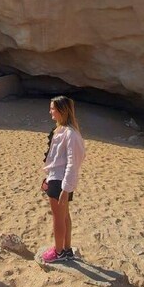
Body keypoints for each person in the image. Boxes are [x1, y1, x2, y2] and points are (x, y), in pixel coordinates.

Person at [41, 96, 86, 263]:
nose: (50, 111)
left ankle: (58, 252)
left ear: (61, 110)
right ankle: (66, 250)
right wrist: (48, 178)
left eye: (52, 108)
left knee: (59, 218)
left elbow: (73, 163)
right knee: (64, 216)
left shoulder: (70, 134)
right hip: (56, 179)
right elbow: (55, 159)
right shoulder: (60, 130)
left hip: (61, 182)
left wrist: (65, 189)